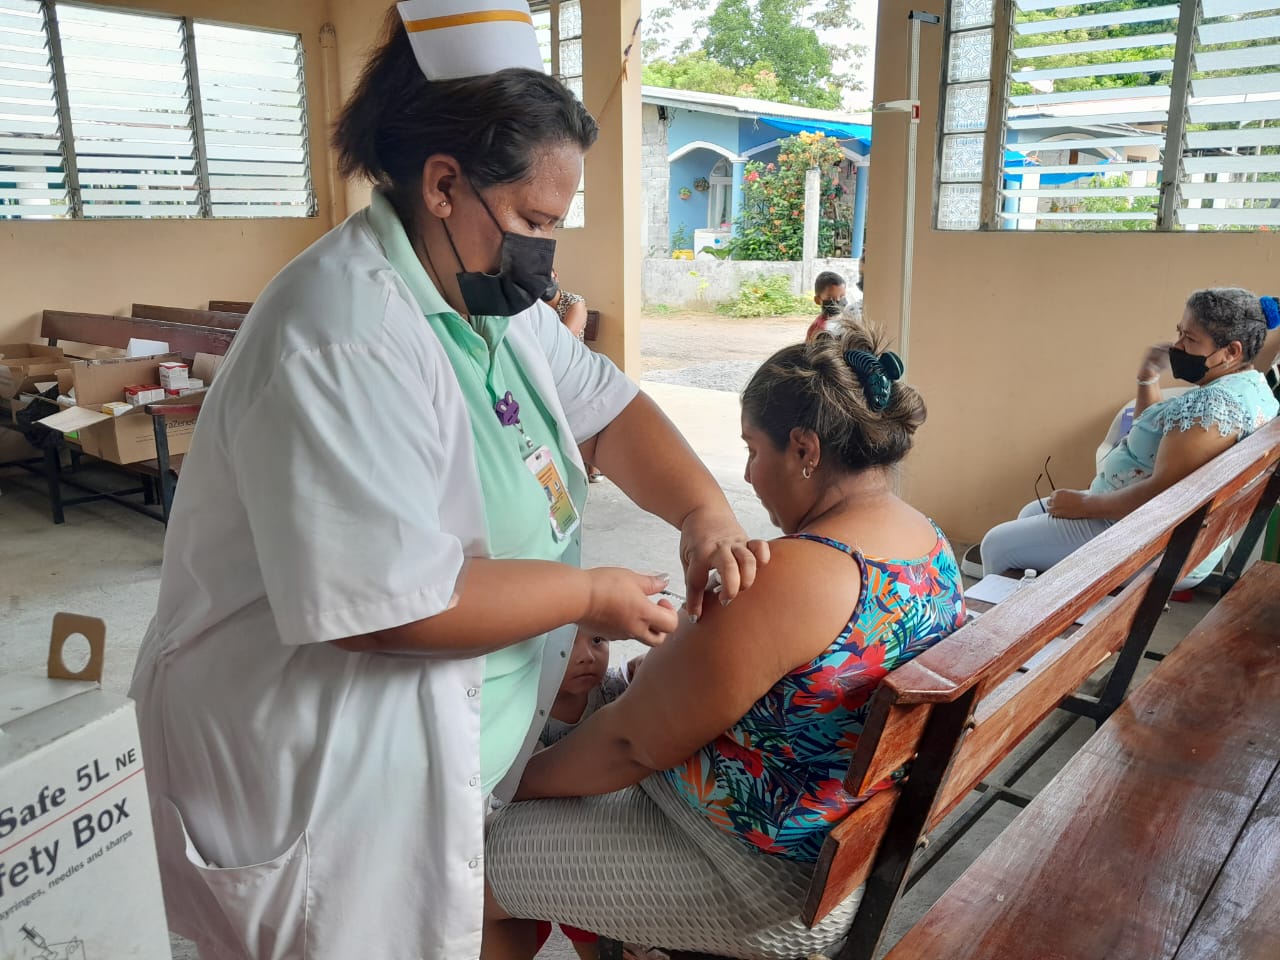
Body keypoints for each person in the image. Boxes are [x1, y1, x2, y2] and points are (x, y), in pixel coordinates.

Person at [126, 5, 768, 959]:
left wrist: (704, 510)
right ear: (441, 184)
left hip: (461, 739)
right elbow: (388, 605)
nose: (543, 254)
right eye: (534, 221)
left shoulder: (487, 298)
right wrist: (587, 596)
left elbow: (608, 409)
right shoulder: (343, 335)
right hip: (321, 755)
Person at [483, 326, 967, 960]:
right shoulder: (928, 541)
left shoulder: (789, 575)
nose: (745, 475)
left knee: (467, 860)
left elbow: (629, 746)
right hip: (833, 850)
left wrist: (503, 789)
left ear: (804, 449)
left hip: (753, 878)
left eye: (752, 449)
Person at [981, 288, 1280, 578]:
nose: (1177, 345)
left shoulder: (1213, 408)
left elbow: (1161, 496)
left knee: (997, 545)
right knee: (1030, 514)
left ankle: (1008, 612)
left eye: (1190, 339)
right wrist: (1147, 378)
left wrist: (1083, 505)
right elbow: (1149, 439)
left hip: (1144, 538)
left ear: (1231, 351)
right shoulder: (1250, 387)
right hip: (1151, 526)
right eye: (1179, 332)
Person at [805, 271, 847, 342]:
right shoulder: (820, 329)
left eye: (842, 296)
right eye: (831, 298)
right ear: (818, 300)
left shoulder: (845, 320)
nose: (838, 301)